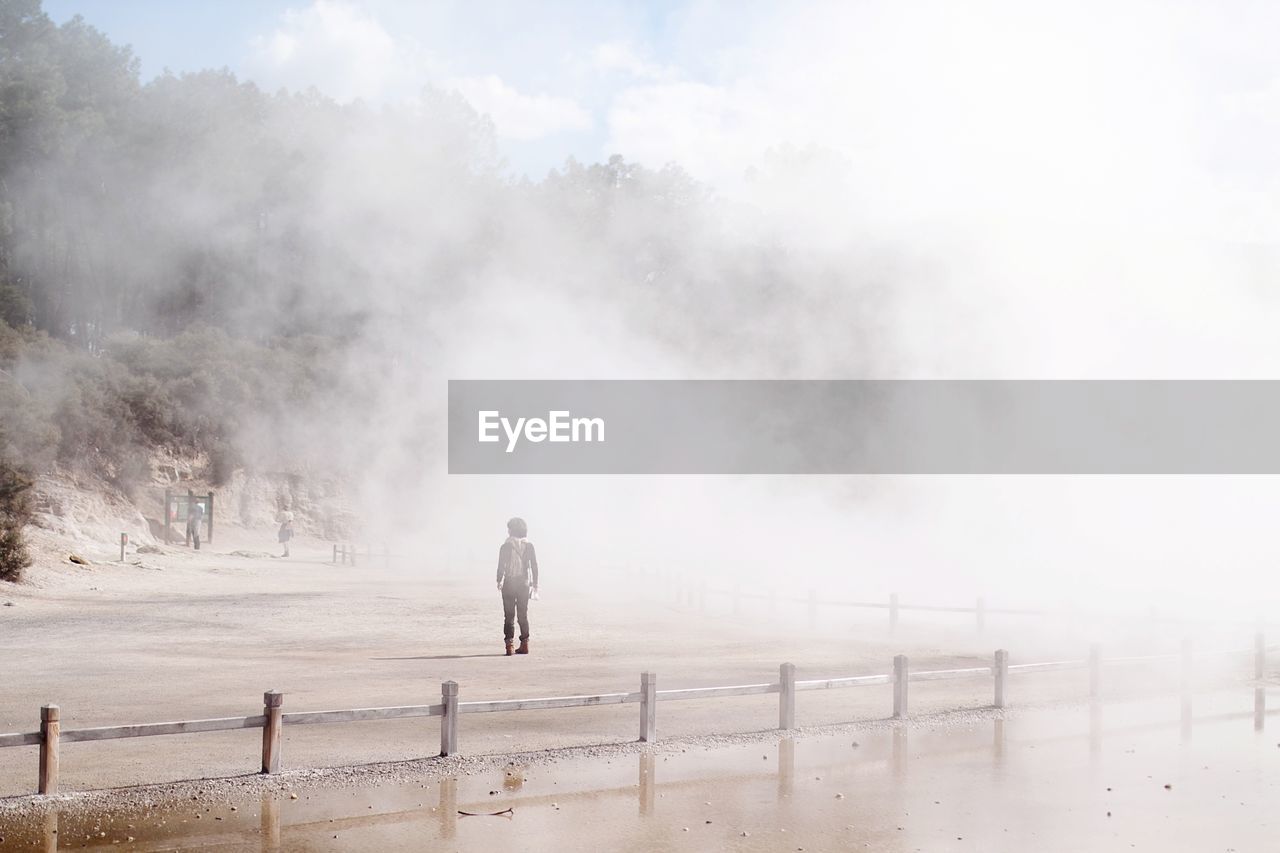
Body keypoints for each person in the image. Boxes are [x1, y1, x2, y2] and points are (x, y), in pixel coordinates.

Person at [496, 516, 538, 656]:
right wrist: (535, 584)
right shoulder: (529, 546)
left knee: (509, 616)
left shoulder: (505, 546)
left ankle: (510, 646)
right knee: (522, 615)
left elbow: (501, 566)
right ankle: (525, 644)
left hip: (509, 583)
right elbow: (534, 566)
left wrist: (498, 580)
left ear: (512, 530)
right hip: (523, 585)